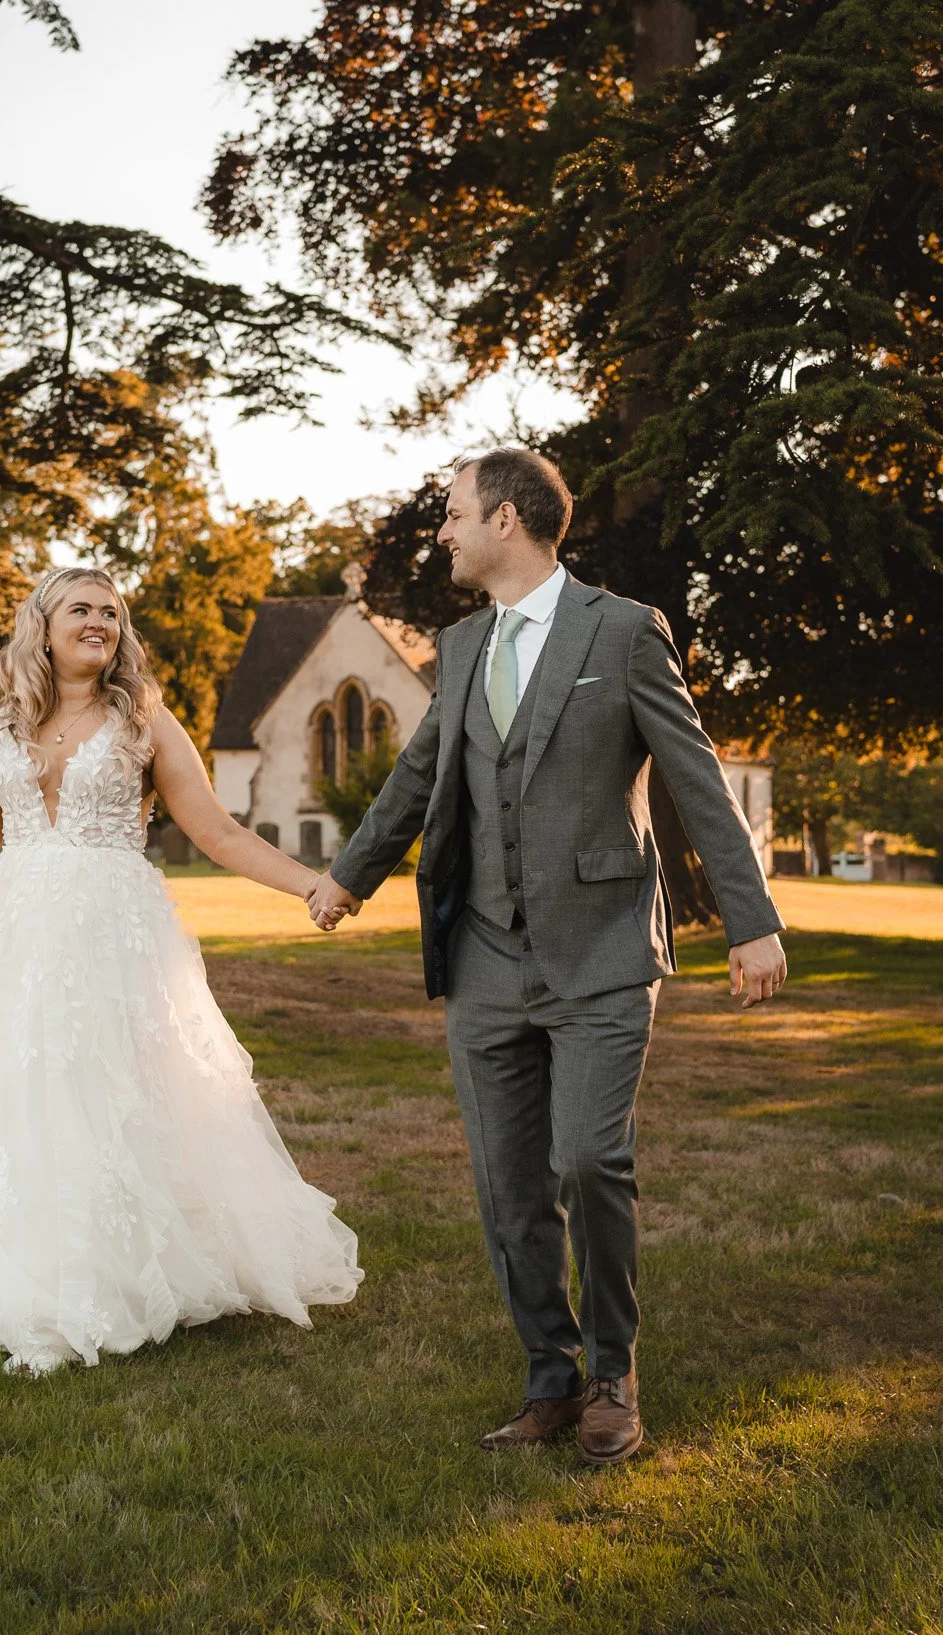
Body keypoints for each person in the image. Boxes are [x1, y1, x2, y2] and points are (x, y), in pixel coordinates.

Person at [310, 449, 786, 1465]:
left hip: (603, 949)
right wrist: (349, 874)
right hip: (482, 957)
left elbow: (697, 782)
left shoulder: (622, 632)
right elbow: (417, 775)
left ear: (509, 520)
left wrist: (752, 920)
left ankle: (615, 1371)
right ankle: (549, 1377)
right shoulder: (463, 643)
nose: (441, 531)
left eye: (453, 514)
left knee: (587, 1158)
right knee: (508, 1185)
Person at [0, 566, 361, 1375]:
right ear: (44, 625)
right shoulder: (2, 728)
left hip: (113, 940)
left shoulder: (146, 722)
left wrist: (313, 882)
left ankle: (119, 1275)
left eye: (111, 611)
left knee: (111, 1096)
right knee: (24, 1097)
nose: (98, 621)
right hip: (16, 941)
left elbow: (221, 833)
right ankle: (28, 1276)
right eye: (81, 609)